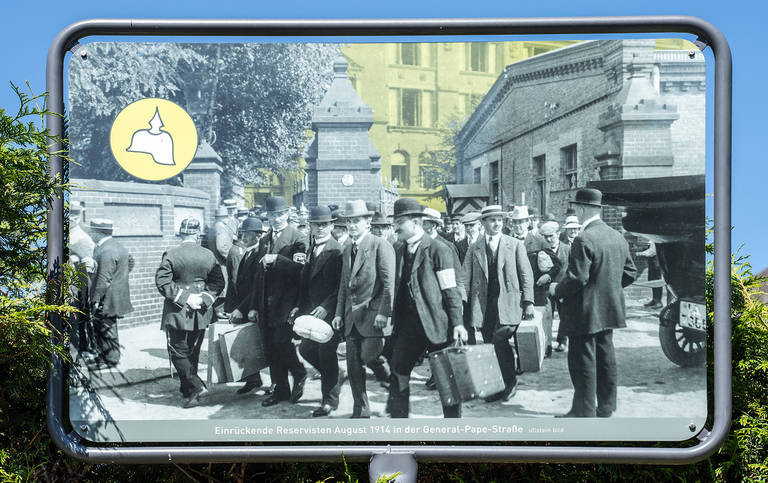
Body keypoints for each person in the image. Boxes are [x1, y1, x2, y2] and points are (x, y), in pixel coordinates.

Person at [550, 188, 637, 418]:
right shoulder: (616, 236)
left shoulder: (583, 238)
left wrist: (556, 289)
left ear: (581, 209)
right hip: (609, 310)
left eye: (576, 208)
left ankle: (583, 411)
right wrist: (607, 290)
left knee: (583, 361)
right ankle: (606, 407)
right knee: (606, 357)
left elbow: (578, 278)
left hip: (585, 312)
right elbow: (630, 272)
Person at [388, 199, 466, 418]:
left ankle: (453, 429)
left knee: (446, 380)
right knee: (398, 370)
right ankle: (399, 426)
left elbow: (450, 290)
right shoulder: (398, 249)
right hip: (408, 327)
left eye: (400, 222)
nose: (396, 227)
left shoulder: (439, 249)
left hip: (437, 325)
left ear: (415, 222)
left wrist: (458, 323)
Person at [232, 196, 309, 407]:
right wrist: (253, 307)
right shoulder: (265, 240)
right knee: (270, 348)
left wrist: (278, 260)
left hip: (288, 303)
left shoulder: (298, 238)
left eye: (280, 214)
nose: (276, 219)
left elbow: (301, 271)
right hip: (266, 304)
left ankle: (299, 372)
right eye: (272, 215)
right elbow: (259, 277)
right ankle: (280, 389)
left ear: (288, 215)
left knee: (281, 343)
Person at [331, 200, 395, 418]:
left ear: (368, 222)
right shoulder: (347, 249)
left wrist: (384, 313)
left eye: (356, 221)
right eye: (349, 221)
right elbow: (343, 285)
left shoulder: (379, 245)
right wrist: (339, 313)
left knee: (370, 356)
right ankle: (361, 410)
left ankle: (388, 378)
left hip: (373, 314)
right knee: (353, 366)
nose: (352, 225)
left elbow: (389, 284)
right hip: (351, 317)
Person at [463, 205, 534, 402]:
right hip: (483, 305)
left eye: (500, 220)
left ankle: (510, 383)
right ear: (483, 223)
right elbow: (464, 277)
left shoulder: (514, 245)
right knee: (488, 344)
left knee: (500, 342)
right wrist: (462, 302)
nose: (497, 224)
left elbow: (526, 275)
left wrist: (528, 302)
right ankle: (495, 386)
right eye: (492, 220)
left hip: (509, 302)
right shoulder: (474, 247)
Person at [156, 218, 225, 408]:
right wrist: (204, 299)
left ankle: (194, 387)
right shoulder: (208, 255)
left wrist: (185, 298)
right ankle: (188, 390)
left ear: (180, 233)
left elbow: (162, 282)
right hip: (202, 312)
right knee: (192, 351)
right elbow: (219, 282)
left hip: (177, 311)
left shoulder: (170, 254)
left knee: (177, 351)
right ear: (197, 234)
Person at [291, 206, 344, 417]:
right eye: (316, 225)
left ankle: (329, 401)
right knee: (305, 350)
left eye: (324, 225)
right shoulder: (312, 248)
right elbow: (305, 283)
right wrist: (298, 305)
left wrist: (326, 307)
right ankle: (336, 377)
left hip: (330, 314)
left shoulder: (337, 250)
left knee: (326, 354)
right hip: (312, 312)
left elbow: (341, 285)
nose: (320, 228)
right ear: (310, 226)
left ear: (331, 226)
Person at [228, 217, 269, 395]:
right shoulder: (248, 252)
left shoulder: (259, 255)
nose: (243, 237)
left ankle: (275, 384)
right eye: (242, 233)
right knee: (249, 343)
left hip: (255, 307)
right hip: (247, 305)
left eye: (247, 234)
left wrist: (242, 308)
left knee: (262, 346)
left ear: (258, 236)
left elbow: (256, 287)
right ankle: (253, 378)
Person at [88, 218, 134, 368]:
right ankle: (106, 357)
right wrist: (119, 278)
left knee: (106, 327)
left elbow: (103, 279)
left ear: (98, 233)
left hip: (107, 297)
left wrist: (95, 299)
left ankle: (110, 359)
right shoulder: (117, 246)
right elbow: (131, 262)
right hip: (114, 295)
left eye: (92, 231)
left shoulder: (106, 250)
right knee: (106, 326)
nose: (90, 234)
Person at [68, 201, 96, 357]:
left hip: (80, 283)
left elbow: (88, 265)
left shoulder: (81, 237)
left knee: (82, 316)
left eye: (75, 213)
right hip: (70, 282)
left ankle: (86, 348)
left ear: (79, 216)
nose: (72, 217)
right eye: (70, 213)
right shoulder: (68, 232)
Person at [535, 221, 564, 357]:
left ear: (558, 234)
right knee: (546, 318)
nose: (548, 239)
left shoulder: (567, 249)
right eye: (544, 236)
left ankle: (562, 340)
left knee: (565, 315)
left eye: (551, 236)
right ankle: (547, 347)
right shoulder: (541, 248)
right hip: (545, 290)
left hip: (562, 287)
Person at [637, 239, 663, 309]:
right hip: (652, 262)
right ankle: (654, 300)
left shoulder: (655, 239)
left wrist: (639, 253)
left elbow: (652, 252)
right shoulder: (651, 240)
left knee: (656, 282)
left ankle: (658, 301)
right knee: (651, 280)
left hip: (656, 263)